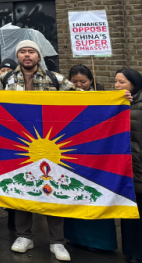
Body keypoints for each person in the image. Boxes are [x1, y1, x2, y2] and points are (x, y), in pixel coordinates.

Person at [0, 40, 75, 261]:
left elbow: (82, 100)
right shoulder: (4, 79)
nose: (27, 55)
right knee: (22, 186)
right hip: (17, 145)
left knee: (53, 189)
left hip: (49, 144)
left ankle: (57, 241)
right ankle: (24, 235)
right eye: (23, 52)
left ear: (38, 55)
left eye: (31, 51)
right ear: (18, 56)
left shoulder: (56, 79)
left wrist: (118, 100)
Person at [63, 65, 114, 252]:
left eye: (83, 82)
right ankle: (75, 237)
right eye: (74, 82)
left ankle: (101, 242)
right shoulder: (64, 96)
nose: (78, 86)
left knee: (96, 195)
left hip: (97, 154)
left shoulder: (104, 98)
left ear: (91, 81)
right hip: (72, 154)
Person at [118, 68, 142, 263]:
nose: (117, 85)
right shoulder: (118, 104)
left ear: (133, 84)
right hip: (126, 169)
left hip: (139, 165)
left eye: (122, 82)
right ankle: (131, 251)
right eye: (116, 82)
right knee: (129, 214)